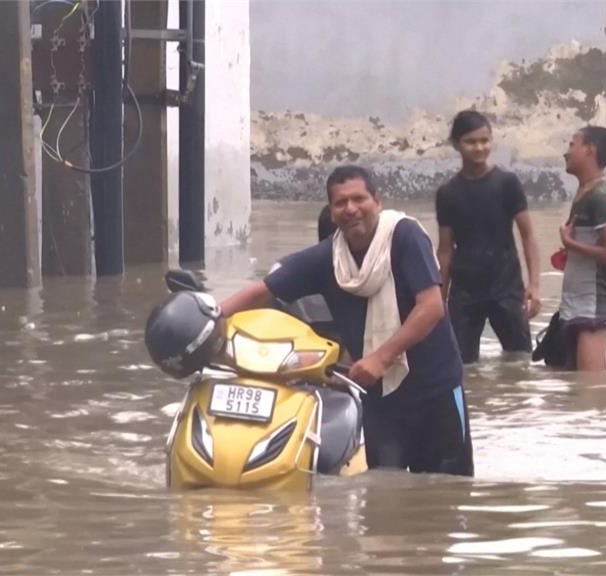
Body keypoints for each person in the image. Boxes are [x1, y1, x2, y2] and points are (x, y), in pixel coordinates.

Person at [220, 165, 473, 476]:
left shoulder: (405, 237)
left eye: (359, 199)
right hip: (381, 401)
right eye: (340, 203)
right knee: (385, 495)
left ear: (377, 201)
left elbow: (431, 307)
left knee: (448, 493)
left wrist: (381, 357)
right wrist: (211, 319)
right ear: (331, 210)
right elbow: (262, 291)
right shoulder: (329, 258)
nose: (351, 209)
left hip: (435, 392)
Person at [435, 110, 541, 364]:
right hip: (465, 291)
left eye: (485, 141)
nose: (479, 148)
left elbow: (527, 235)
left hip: (507, 286)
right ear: (456, 144)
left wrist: (534, 285)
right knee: (462, 364)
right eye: (471, 142)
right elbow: (446, 249)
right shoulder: (448, 193)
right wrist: (439, 297)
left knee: (520, 362)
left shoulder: (507, 183)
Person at [559, 126, 606, 371]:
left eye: (572, 145)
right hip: (575, 304)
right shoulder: (584, 193)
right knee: (578, 394)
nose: (566, 153)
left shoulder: (601, 198)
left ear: (589, 150)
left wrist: (570, 243)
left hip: (592, 307)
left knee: (592, 390)